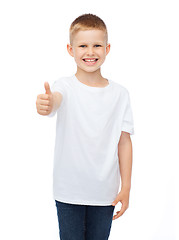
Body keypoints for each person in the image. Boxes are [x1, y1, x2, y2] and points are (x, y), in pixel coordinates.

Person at [36, 13, 134, 240]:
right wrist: (47, 104)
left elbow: (124, 142)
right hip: (68, 192)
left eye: (97, 45)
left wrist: (126, 187)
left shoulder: (120, 94)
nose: (90, 52)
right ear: (71, 50)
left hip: (105, 193)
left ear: (107, 48)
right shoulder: (65, 86)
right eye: (83, 46)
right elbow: (55, 101)